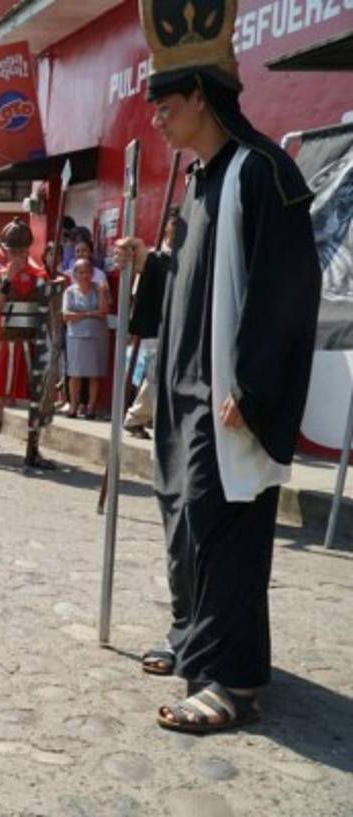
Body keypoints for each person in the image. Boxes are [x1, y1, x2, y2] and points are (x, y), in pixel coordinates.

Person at [127, 0, 321, 733]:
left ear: (201, 98)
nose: (157, 120)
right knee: (185, 519)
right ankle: (194, 644)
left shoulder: (262, 171)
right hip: (183, 390)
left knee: (226, 527)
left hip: (228, 391)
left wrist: (255, 381)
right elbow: (189, 278)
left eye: (166, 106)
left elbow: (284, 287)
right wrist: (151, 266)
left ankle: (233, 678)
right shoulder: (201, 179)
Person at [0, 218, 56, 471]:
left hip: (32, 344)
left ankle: (32, 451)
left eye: (20, 251)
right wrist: (7, 280)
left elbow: (49, 312)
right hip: (8, 342)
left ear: (27, 250)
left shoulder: (40, 276)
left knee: (36, 399)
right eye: (12, 251)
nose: (16, 255)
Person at [123, 208, 179, 440]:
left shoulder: (185, 257)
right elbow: (138, 293)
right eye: (174, 224)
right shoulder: (153, 259)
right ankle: (164, 425)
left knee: (162, 374)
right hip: (155, 324)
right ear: (167, 226)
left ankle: (135, 417)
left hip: (177, 325)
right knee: (158, 374)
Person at [62, 259, 110, 419]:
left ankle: (91, 407)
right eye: (80, 272)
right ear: (74, 274)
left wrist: (102, 293)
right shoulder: (69, 291)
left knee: (94, 375)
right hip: (75, 336)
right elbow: (66, 316)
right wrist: (90, 314)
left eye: (87, 272)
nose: (84, 276)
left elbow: (103, 311)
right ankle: (73, 406)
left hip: (97, 336)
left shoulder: (99, 288)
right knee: (74, 374)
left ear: (92, 273)